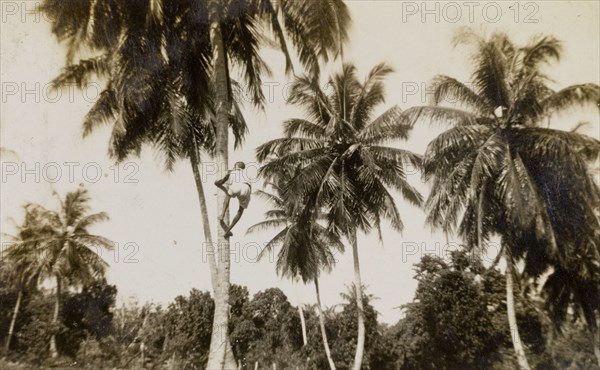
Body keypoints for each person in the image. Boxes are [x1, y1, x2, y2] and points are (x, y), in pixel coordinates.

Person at [214, 161, 251, 238]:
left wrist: (217, 183)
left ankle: (222, 215)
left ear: (236, 166)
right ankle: (227, 231)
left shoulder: (232, 171)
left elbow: (222, 181)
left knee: (228, 196)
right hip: (247, 188)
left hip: (237, 186)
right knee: (240, 211)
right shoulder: (246, 175)